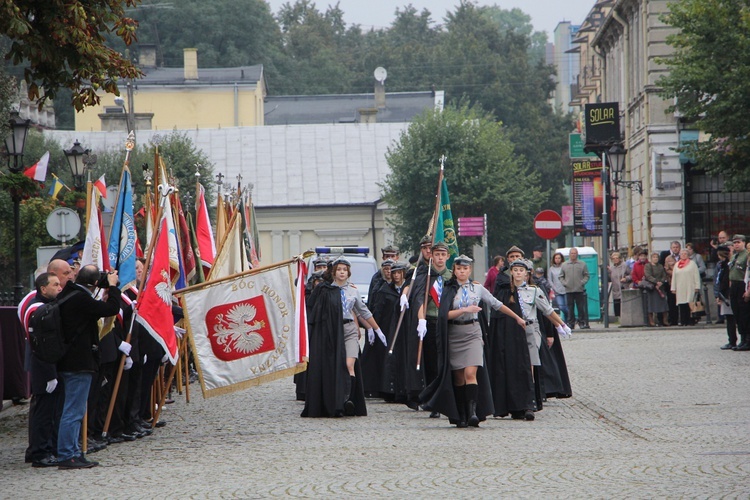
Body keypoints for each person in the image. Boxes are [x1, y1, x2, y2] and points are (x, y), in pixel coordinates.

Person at [420, 255, 526, 427]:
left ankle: (473, 413)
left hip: (473, 332)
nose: (462, 271)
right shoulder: (447, 288)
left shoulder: (476, 288)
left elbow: (496, 304)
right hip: (454, 333)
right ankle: (460, 413)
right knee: (459, 377)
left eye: (465, 268)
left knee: (471, 373)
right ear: (454, 271)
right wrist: (464, 309)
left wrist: (517, 318)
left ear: (470, 270)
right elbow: (443, 315)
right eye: (459, 269)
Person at [302, 257, 384, 417]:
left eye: (344, 270)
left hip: (349, 330)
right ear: (333, 272)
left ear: (348, 273)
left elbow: (363, 310)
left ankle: (348, 399)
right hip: (331, 331)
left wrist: (376, 329)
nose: (342, 272)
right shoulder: (325, 290)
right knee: (334, 367)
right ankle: (337, 400)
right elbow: (313, 308)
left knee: (349, 364)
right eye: (339, 269)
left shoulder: (352, 290)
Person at [56, 265, 121, 469]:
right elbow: (111, 309)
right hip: (78, 362)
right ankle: (67, 454)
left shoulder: (70, 294)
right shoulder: (81, 298)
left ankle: (74, 452)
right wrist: (113, 287)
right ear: (94, 283)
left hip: (70, 360)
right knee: (73, 411)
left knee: (74, 409)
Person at [510, 259, 570, 416]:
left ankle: (530, 401)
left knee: (530, 364)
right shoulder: (507, 291)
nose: (518, 273)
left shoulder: (534, 291)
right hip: (514, 331)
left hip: (531, 328)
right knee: (516, 366)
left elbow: (547, 310)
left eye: (521, 271)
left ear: (526, 274)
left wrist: (561, 325)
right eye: (515, 270)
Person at [21, 273, 63, 467]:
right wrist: (50, 374)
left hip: (47, 367)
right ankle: (40, 452)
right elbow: (43, 345)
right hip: (43, 368)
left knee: (48, 411)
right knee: (43, 413)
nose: (59, 288)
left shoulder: (46, 308)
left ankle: (42, 449)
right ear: (43, 289)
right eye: (55, 285)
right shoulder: (40, 310)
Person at [410, 242, 454, 418]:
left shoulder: (452, 276)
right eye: (437, 254)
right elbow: (418, 298)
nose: (440, 258)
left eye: (443, 254)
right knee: (431, 363)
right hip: (431, 320)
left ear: (448, 256)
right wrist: (421, 320)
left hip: (448, 322)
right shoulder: (426, 276)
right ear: (432, 256)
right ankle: (433, 401)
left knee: (448, 361)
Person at [361, 258, 395, 397]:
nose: (388, 272)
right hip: (380, 324)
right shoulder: (378, 285)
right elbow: (374, 306)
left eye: (390, 270)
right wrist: (371, 327)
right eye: (385, 269)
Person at [727, 235, 750, 350]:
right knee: (737, 313)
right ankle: (742, 338)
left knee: (744, 313)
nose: (736, 244)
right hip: (734, 285)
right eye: (734, 242)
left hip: (743, 285)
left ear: (744, 243)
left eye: (739, 242)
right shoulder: (734, 256)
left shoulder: (747, 255)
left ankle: (747, 340)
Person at [559, 248, 590, 329]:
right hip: (568, 290)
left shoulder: (582, 264)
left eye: (575, 253)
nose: (573, 255)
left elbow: (586, 275)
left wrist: (582, 282)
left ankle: (582, 322)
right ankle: (571, 323)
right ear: (569, 254)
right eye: (572, 253)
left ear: (577, 254)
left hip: (579, 290)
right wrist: (565, 283)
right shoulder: (564, 265)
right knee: (570, 308)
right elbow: (561, 276)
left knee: (580, 308)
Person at [670, 249, 701, 326]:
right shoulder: (677, 265)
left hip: (690, 286)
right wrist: (673, 288)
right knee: (682, 304)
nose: (683, 255)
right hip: (680, 287)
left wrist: (697, 286)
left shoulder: (692, 264)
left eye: (685, 254)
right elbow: (674, 277)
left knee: (690, 303)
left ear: (688, 255)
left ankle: (690, 320)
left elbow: (696, 275)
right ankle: (683, 321)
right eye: (682, 254)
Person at [714, 245, 737, 349]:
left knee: (731, 318)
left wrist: (721, 294)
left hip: (728, 294)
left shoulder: (727, 265)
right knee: (730, 318)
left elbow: (724, 281)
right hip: (725, 294)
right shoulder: (723, 265)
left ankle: (732, 341)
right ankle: (732, 340)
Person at [643, 252, 669, 327]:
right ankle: (651, 321)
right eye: (654, 257)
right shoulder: (648, 266)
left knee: (663, 304)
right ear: (651, 258)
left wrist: (661, 282)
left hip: (660, 287)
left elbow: (664, 275)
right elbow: (648, 276)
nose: (655, 259)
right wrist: (656, 282)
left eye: (656, 257)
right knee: (651, 305)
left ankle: (665, 320)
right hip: (652, 287)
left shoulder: (660, 266)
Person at [664, 241, 682, 327]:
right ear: (671, 248)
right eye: (674, 247)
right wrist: (675, 273)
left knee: (683, 302)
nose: (675, 249)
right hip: (672, 282)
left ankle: (683, 319)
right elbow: (666, 270)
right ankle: (673, 320)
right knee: (672, 302)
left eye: (677, 247)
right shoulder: (668, 258)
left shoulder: (683, 257)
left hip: (682, 282)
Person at [608, 252, 630, 318]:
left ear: (620, 259)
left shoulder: (624, 266)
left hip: (624, 289)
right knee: (617, 307)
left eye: (617, 258)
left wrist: (626, 278)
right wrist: (609, 272)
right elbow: (610, 279)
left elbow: (631, 275)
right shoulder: (611, 268)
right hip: (616, 290)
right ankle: (618, 319)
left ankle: (625, 318)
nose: (615, 260)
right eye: (613, 258)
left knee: (624, 306)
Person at [547, 252, 568, 322]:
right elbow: (550, 279)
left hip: (566, 289)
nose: (557, 259)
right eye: (556, 258)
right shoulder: (551, 269)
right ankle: (569, 317)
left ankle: (567, 320)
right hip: (557, 290)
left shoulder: (564, 267)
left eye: (559, 258)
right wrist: (554, 287)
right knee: (561, 306)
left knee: (567, 306)